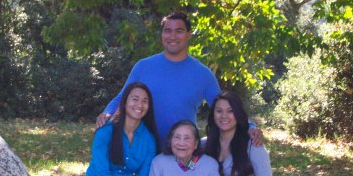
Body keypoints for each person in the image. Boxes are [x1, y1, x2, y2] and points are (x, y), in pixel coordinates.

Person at [96, 11, 263, 148]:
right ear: (162, 34)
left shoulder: (203, 74)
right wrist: (107, 112)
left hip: (183, 151)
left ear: (188, 34)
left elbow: (225, 108)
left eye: (179, 31)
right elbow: (122, 98)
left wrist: (251, 127)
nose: (172, 36)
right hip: (144, 148)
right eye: (167, 30)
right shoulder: (144, 66)